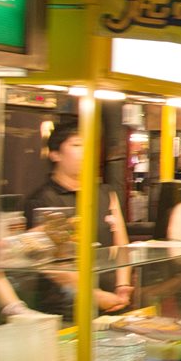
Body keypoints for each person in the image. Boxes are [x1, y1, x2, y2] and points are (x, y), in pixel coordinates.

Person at [21, 123, 131, 318]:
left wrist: (123, 284)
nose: (86, 151)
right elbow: (51, 264)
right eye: (77, 145)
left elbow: (121, 245)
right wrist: (95, 295)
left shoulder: (106, 193)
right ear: (55, 154)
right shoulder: (43, 199)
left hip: (111, 302)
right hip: (66, 310)